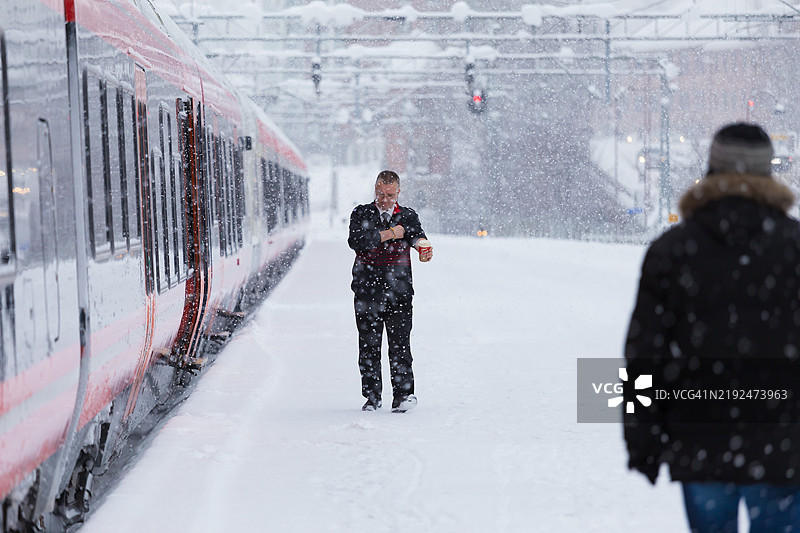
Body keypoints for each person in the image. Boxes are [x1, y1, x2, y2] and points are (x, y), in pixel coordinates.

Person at [624, 123, 800, 532]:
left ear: (710, 170)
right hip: (784, 444)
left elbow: (643, 357)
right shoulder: (795, 248)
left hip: (700, 439)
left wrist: (642, 439)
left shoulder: (672, 250)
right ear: (768, 173)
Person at [348, 170, 433, 413]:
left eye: (390, 195)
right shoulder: (361, 213)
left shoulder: (408, 216)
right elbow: (358, 241)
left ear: (398, 193)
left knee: (400, 346)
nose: (384, 199)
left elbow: (416, 236)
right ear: (375, 190)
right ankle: (372, 397)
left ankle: (403, 395)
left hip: (400, 292)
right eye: (380, 194)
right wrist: (393, 233)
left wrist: (423, 247)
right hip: (367, 292)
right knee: (369, 346)